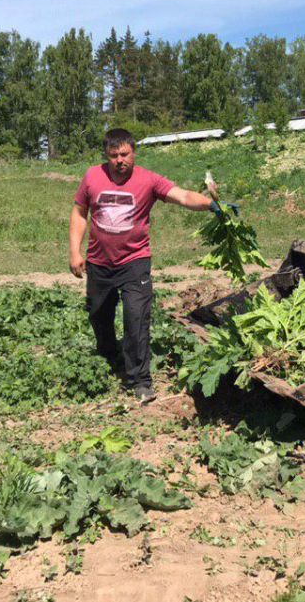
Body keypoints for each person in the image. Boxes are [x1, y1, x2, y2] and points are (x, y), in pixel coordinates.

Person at [69, 128, 227, 403]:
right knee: (98, 313)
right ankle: (109, 354)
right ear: (106, 155)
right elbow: (80, 212)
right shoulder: (92, 176)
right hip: (98, 263)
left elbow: (183, 196)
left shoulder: (148, 180)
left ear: (134, 152)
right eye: (114, 155)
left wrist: (212, 205)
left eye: (125, 154)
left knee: (136, 319)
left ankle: (140, 380)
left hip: (135, 262)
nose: (120, 160)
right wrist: (74, 251)